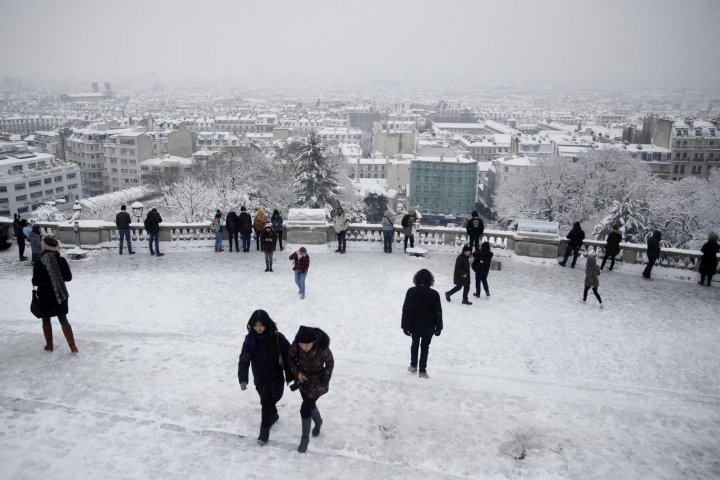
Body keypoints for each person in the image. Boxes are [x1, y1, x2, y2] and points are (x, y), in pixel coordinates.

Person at [238, 310, 291, 445]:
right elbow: (244, 359)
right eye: (255, 325)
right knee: (266, 402)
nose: (258, 328)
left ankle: (264, 431)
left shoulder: (277, 337)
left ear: (266, 323)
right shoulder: (250, 339)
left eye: (261, 325)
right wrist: (243, 378)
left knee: (268, 401)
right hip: (260, 379)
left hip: (276, 378)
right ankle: (271, 420)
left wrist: (293, 375)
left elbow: (290, 356)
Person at [287, 326, 334, 453]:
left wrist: (324, 380)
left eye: (307, 344)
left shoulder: (321, 348)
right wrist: (297, 373)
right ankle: (318, 422)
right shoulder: (297, 345)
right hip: (303, 381)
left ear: (313, 342)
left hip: (317, 383)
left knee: (305, 408)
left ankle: (304, 438)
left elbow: (330, 362)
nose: (304, 347)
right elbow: (290, 358)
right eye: (302, 344)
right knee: (310, 405)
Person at [32, 237, 77, 353]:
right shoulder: (61, 260)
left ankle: (49, 345)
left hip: (45, 296)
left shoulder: (39, 262)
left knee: (46, 319)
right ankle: (73, 346)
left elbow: (35, 281)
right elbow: (68, 277)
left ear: (44, 247)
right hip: (60, 295)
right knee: (63, 319)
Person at [401, 269, 442, 379]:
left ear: (416, 279)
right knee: (425, 347)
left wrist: (405, 325)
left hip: (415, 324)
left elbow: (406, 309)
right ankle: (422, 370)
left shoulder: (411, 291)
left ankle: (413, 365)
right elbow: (438, 311)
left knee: (415, 344)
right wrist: (439, 327)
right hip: (429, 325)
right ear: (430, 280)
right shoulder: (434, 294)